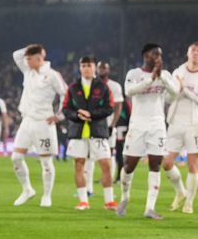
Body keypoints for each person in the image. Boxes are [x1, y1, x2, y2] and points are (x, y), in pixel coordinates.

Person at [117, 43, 181, 220]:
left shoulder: (165, 75)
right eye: (154, 54)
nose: (158, 58)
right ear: (145, 55)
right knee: (129, 166)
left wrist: (163, 79)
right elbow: (129, 92)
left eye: (160, 55)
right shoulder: (134, 74)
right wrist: (150, 79)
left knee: (155, 165)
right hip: (137, 125)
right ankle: (124, 197)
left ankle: (149, 208)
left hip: (157, 126)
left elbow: (174, 95)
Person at [10, 44, 67, 207]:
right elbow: (16, 55)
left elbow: (66, 94)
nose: (26, 61)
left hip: (44, 123)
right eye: (26, 58)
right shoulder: (28, 71)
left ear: (39, 59)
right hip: (27, 121)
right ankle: (27, 189)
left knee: (46, 162)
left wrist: (59, 115)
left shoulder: (52, 75)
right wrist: (30, 48)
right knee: (16, 158)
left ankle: (47, 196)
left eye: (29, 58)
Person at [163, 42, 198, 214]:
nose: (196, 53)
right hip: (175, 121)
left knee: (192, 164)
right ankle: (180, 192)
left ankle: (189, 203)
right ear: (188, 53)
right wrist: (173, 90)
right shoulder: (177, 72)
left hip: (195, 124)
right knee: (167, 162)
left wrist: (185, 90)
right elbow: (170, 97)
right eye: (193, 50)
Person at [62, 56, 116, 210]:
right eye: (83, 65)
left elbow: (109, 107)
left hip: (98, 131)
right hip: (78, 132)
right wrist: (77, 115)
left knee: (106, 164)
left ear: (94, 68)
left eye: (89, 65)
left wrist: (90, 114)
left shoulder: (104, 87)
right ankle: (83, 201)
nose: (86, 68)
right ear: (80, 68)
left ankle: (109, 201)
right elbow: (66, 109)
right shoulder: (73, 87)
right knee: (79, 165)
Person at [86, 61, 124, 193]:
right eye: (100, 67)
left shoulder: (115, 86)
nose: (102, 70)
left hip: (108, 125)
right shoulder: (90, 84)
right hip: (92, 124)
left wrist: (113, 124)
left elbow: (118, 107)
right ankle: (88, 188)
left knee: (110, 154)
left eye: (104, 68)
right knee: (89, 155)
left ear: (108, 70)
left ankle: (109, 182)